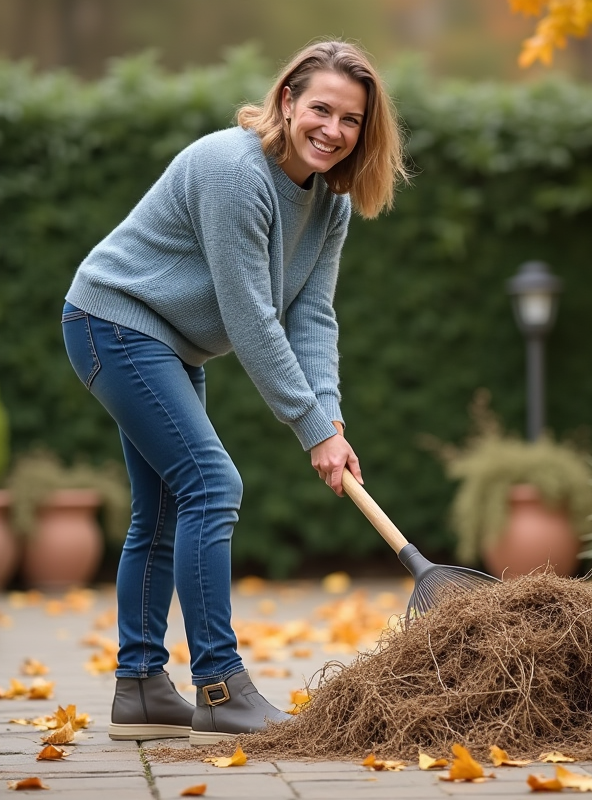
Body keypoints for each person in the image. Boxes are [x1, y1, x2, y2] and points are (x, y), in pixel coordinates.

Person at [60, 39, 408, 745]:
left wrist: (331, 416)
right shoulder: (233, 170)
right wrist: (311, 429)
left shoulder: (329, 203)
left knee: (161, 513)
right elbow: (251, 317)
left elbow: (312, 314)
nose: (333, 131)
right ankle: (218, 687)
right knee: (211, 485)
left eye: (351, 120)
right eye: (321, 109)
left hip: (168, 342)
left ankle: (140, 689)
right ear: (287, 100)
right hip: (113, 322)